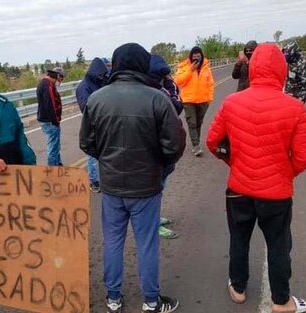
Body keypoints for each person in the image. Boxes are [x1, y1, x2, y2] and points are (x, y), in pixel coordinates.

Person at [206, 44, 306, 313]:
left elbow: (212, 141)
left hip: (239, 189)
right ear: (282, 69)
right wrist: (284, 173)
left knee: (239, 238)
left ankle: (239, 288)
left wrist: (234, 162)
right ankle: (282, 301)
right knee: (278, 245)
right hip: (276, 194)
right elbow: (305, 155)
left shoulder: (232, 102)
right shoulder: (294, 107)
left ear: (253, 68)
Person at [80, 43, 186, 313]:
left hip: (112, 186)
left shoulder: (97, 99)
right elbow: (174, 146)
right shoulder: (157, 98)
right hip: (146, 187)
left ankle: (113, 298)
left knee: (113, 241)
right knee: (147, 243)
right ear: (142, 64)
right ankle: (151, 301)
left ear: (115, 65)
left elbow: (87, 143)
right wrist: (158, 164)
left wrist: (107, 160)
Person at [149, 54, 183, 239]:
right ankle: (153, 225)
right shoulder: (160, 94)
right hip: (157, 154)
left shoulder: (149, 91)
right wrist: (170, 84)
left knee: (157, 190)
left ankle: (154, 220)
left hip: (154, 153)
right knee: (155, 190)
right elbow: (177, 106)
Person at [76, 57, 111, 192]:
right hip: (92, 125)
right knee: (92, 155)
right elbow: (86, 108)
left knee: (104, 153)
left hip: (105, 123)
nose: (104, 76)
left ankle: (103, 178)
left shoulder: (100, 82)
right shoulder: (83, 87)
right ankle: (94, 181)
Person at [174, 46, 214, 156]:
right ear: (191, 56)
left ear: (202, 56)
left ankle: (196, 143)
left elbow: (210, 83)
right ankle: (196, 146)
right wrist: (190, 70)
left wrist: (210, 98)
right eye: (194, 55)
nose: (196, 57)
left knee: (198, 123)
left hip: (203, 100)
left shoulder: (206, 67)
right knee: (192, 123)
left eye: (198, 55)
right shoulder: (183, 66)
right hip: (188, 100)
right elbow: (178, 81)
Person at [37, 67, 65, 166]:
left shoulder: (44, 83)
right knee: (53, 147)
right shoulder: (48, 85)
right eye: (61, 79)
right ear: (57, 76)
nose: (60, 82)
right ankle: (53, 170)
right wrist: (56, 121)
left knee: (55, 146)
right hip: (50, 121)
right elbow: (51, 105)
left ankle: (58, 165)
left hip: (46, 120)